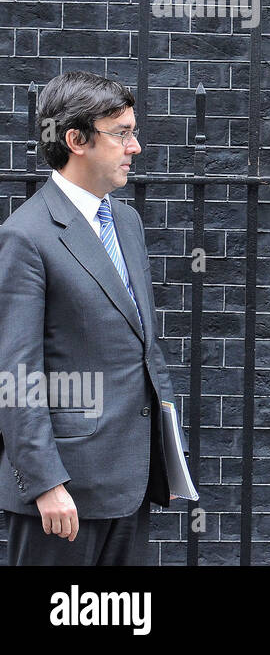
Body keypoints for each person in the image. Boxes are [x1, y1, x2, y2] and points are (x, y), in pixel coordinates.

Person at [0, 72, 183, 565]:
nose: (135, 146)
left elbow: (140, 344)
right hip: (64, 496)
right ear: (76, 139)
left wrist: (166, 456)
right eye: (121, 133)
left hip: (131, 480)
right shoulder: (26, 236)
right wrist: (45, 484)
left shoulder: (125, 221)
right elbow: (15, 376)